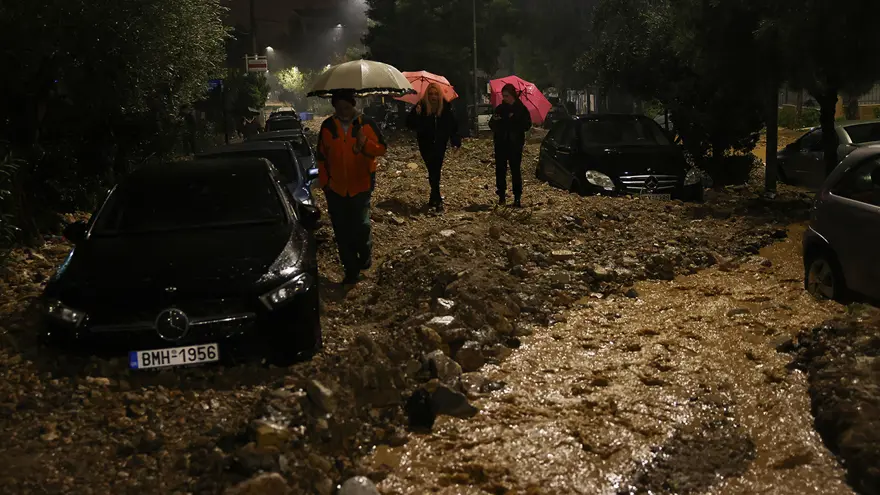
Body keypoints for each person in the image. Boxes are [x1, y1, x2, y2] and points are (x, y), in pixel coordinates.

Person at [316, 90, 387, 285]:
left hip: (361, 184)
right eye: (339, 108)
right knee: (341, 230)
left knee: (361, 226)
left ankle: (364, 256)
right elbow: (321, 157)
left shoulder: (366, 124)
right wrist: (326, 183)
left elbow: (382, 148)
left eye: (346, 107)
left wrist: (366, 144)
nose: (343, 111)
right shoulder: (328, 127)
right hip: (335, 188)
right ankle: (351, 270)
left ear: (353, 105)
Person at [407, 83, 461, 211]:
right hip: (425, 143)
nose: (433, 97)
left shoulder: (446, 107)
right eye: (430, 94)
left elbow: (453, 126)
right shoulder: (421, 106)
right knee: (432, 169)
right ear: (427, 95)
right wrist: (416, 114)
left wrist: (455, 142)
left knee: (436, 169)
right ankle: (435, 197)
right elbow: (410, 124)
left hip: (440, 143)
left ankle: (435, 197)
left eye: (436, 94)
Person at [490, 83, 532, 207]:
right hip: (501, 143)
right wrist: (499, 121)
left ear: (512, 95)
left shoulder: (521, 109)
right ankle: (501, 195)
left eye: (507, 96)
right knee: (500, 170)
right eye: (503, 96)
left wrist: (514, 120)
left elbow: (526, 125)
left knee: (515, 170)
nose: (505, 98)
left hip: (515, 144)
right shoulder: (500, 108)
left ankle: (517, 197)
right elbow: (492, 124)